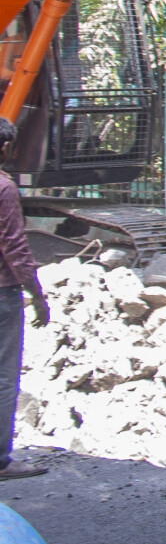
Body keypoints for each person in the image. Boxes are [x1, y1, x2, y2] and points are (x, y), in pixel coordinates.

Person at [0, 120, 50, 480]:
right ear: (5, 147)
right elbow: (15, 248)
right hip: (2, 295)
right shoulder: (4, 190)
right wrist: (37, 295)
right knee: (3, 377)